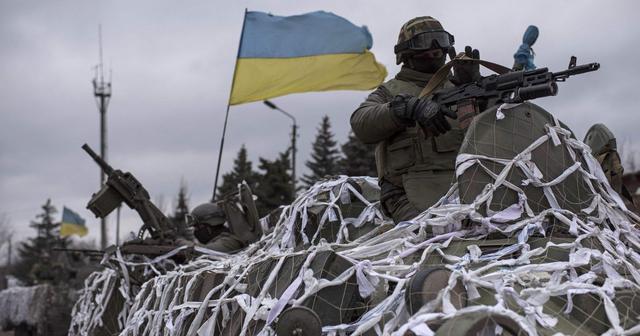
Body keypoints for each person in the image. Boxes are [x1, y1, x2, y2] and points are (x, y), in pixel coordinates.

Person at [350, 16, 481, 223]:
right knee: (437, 236)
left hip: (467, 190)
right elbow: (361, 123)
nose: (434, 49)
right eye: (424, 42)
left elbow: (497, 131)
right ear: (407, 53)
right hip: (408, 196)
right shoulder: (390, 92)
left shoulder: (459, 87)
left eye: (440, 40)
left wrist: (476, 90)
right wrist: (406, 109)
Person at [183, 182, 262, 253]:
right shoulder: (216, 241)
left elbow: (206, 251)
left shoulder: (230, 241)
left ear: (210, 226)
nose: (195, 232)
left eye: (198, 227)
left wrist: (181, 244)